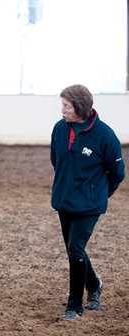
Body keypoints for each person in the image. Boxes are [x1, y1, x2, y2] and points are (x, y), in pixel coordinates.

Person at [50, 84, 125, 320]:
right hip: (64, 199)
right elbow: (56, 160)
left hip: (89, 205)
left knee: (75, 249)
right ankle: (94, 284)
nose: (62, 110)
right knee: (75, 249)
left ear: (80, 107)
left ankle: (74, 306)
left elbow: (117, 172)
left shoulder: (105, 135)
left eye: (66, 106)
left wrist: (101, 193)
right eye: (61, 105)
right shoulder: (59, 129)